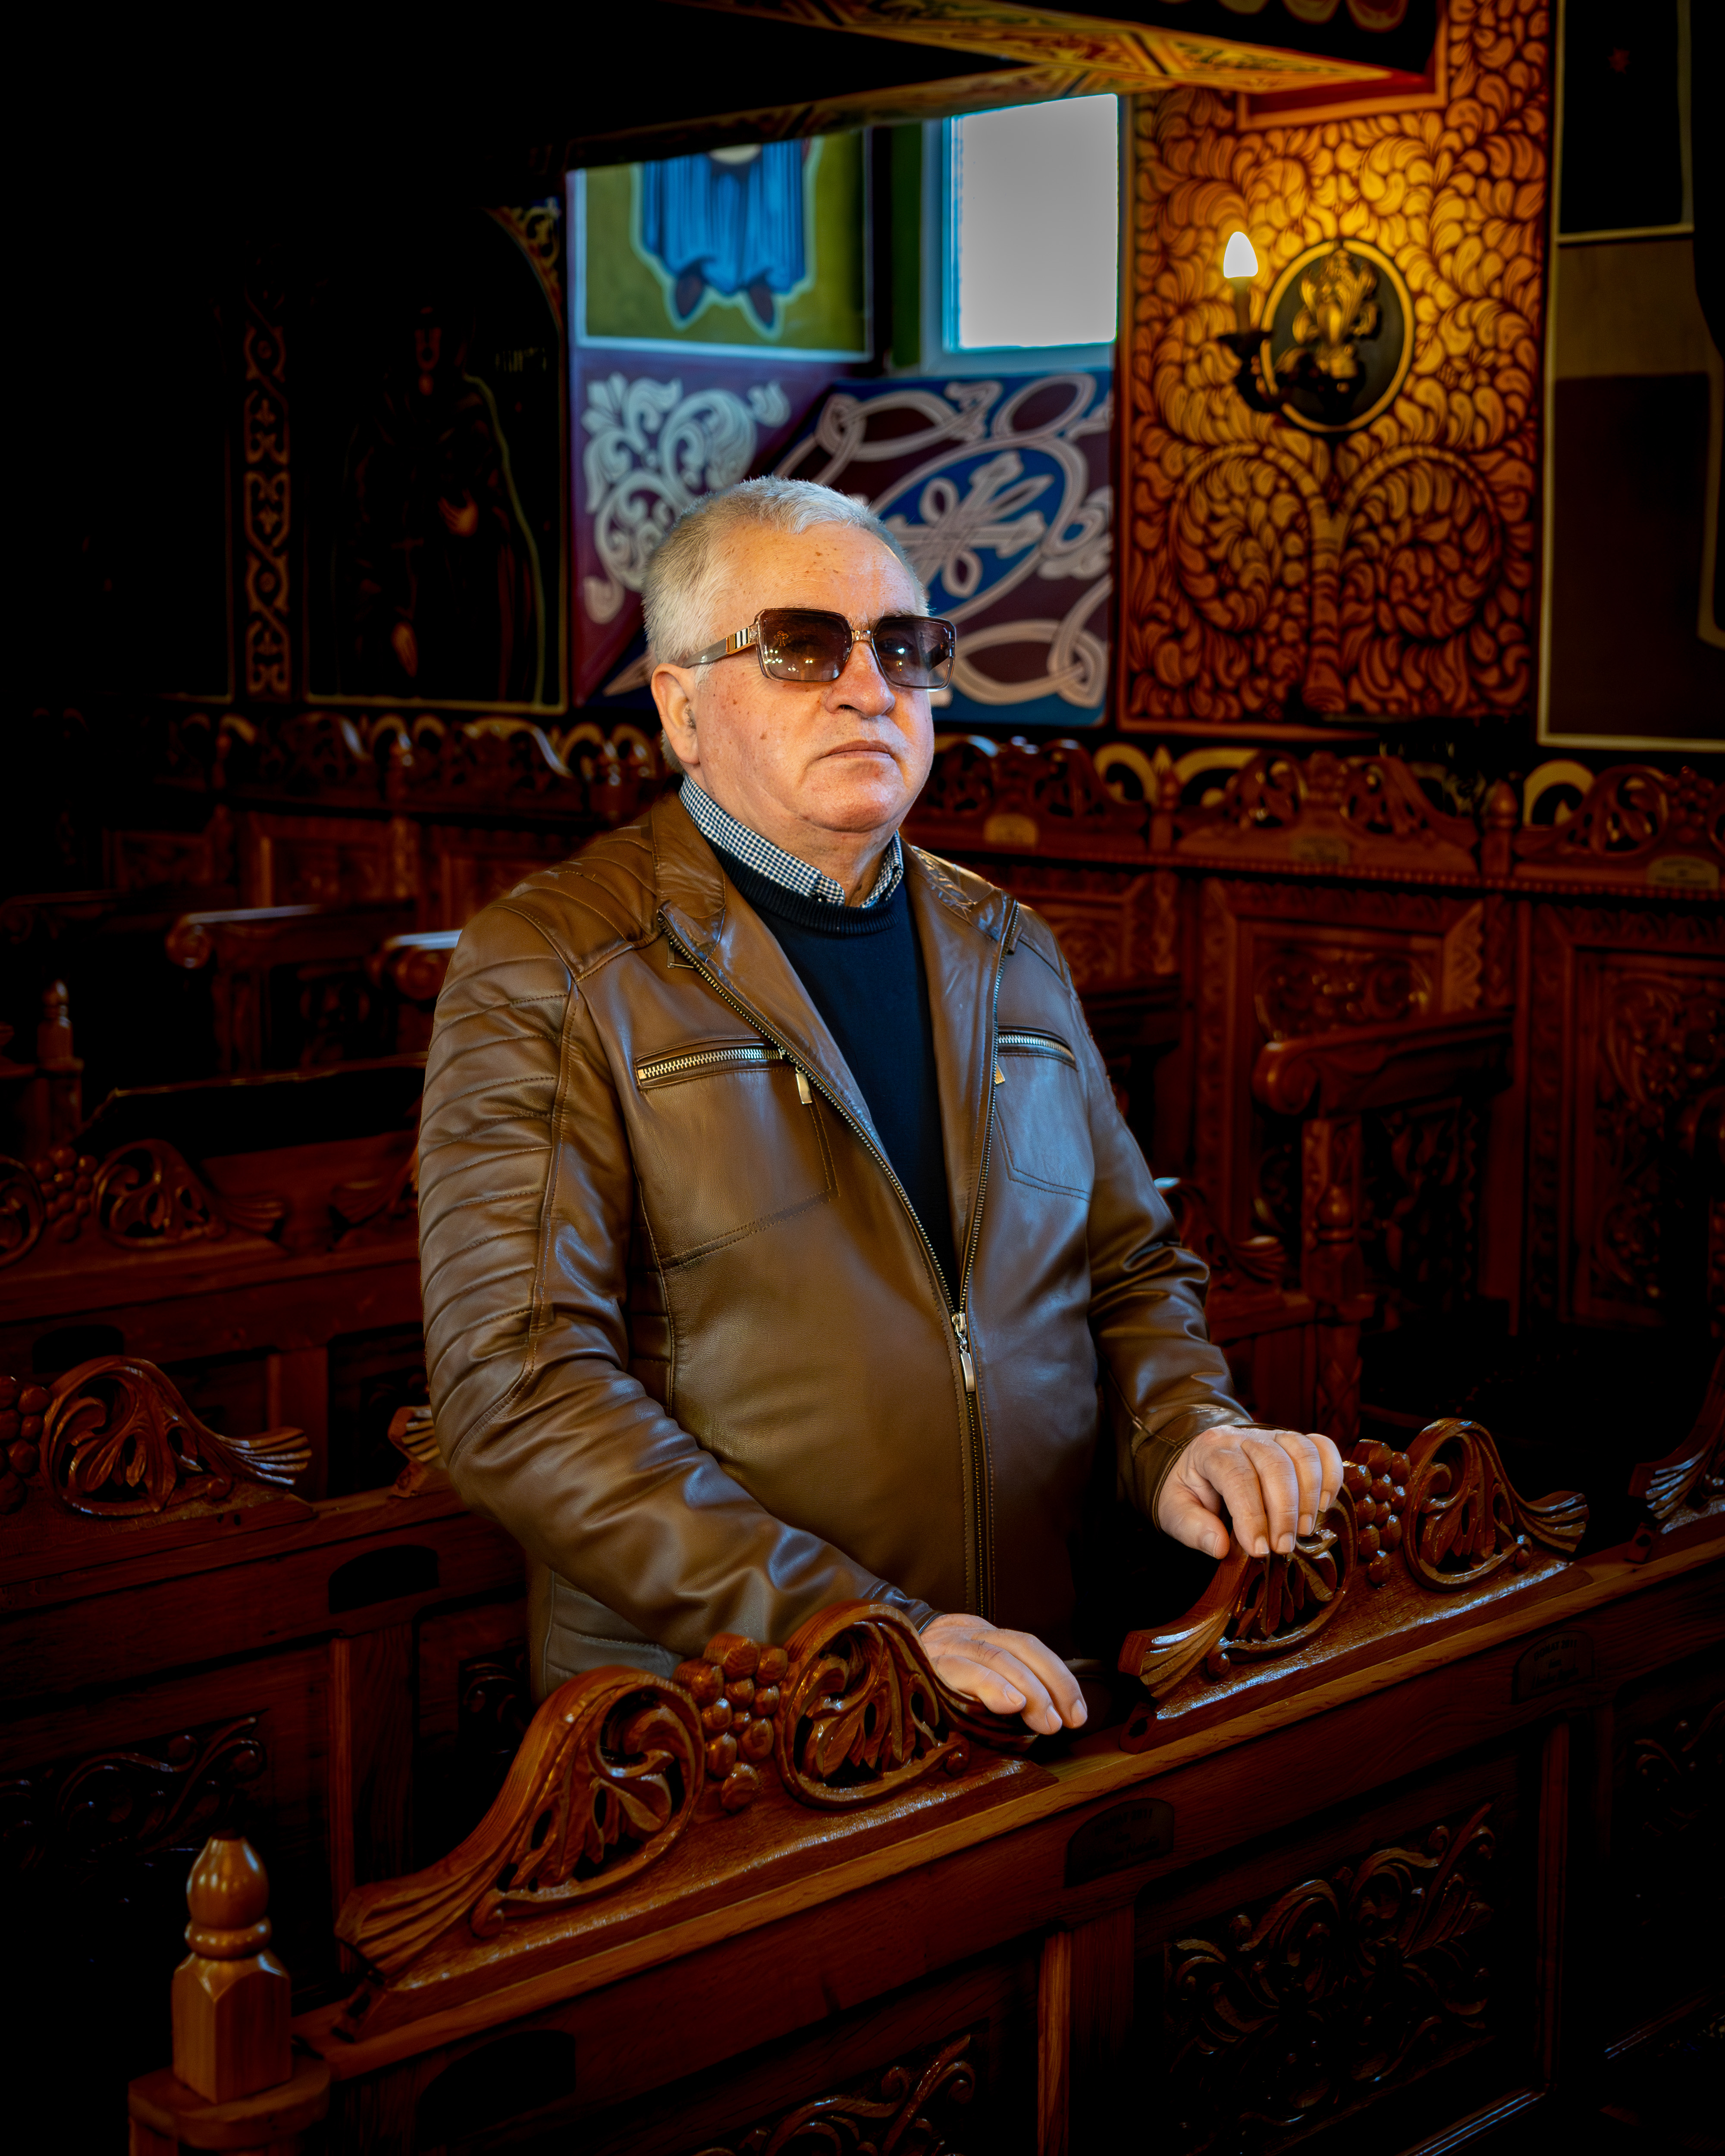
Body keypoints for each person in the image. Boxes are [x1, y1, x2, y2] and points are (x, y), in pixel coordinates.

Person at [419, 477, 1340, 1737]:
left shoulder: (1007, 945)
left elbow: (1127, 1271)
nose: (870, 688)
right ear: (682, 709)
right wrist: (857, 1627)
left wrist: (1186, 1431)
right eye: (801, 647)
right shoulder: (554, 966)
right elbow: (519, 1394)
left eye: (903, 647)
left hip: (1041, 1673)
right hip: (736, 1722)